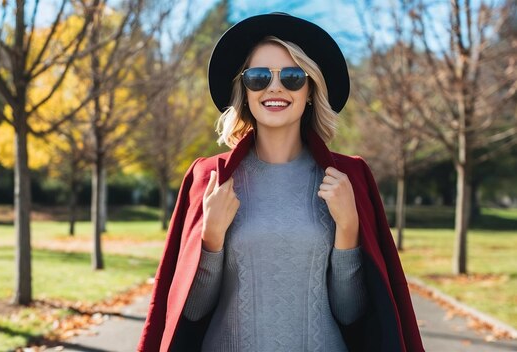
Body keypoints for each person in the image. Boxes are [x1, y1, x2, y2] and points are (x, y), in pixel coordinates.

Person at [138, 13, 424, 352]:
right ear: (244, 92)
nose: (275, 87)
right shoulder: (209, 177)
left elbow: (352, 315)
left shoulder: (350, 178)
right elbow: (192, 311)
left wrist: (348, 228)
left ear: (310, 90)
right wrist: (211, 238)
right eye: (258, 77)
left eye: (292, 76)